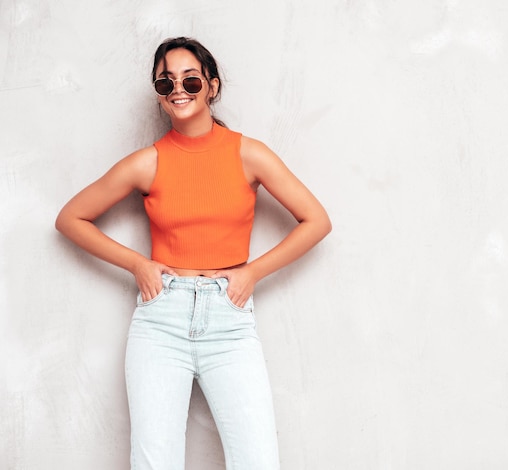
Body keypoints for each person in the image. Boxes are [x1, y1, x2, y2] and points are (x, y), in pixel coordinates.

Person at [55, 36, 331, 470]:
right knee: (154, 462)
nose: (178, 90)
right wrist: (137, 264)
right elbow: (70, 218)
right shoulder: (148, 162)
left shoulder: (248, 154)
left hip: (230, 320)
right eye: (165, 84)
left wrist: (252, 272)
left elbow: (317, 220)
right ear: (159, 95)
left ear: (213, 86)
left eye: (190, 80)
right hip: (160, 320)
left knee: (258, 460)